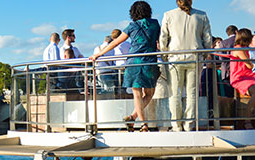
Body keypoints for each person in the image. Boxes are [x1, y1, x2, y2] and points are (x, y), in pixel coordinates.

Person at [91, 1, 161, 132]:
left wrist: (99, 54)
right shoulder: (155, 24)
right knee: (150, 93)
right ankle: (139, 121)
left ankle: (138, 121)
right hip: (150, 62)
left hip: (134, 62)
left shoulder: (132, 26)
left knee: (137, 94)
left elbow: (116, 42)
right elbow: (161, 41)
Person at [159, 0, 213, 131]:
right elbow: (207, 39)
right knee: (192, 93)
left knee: (174, 94)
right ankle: (189, 125)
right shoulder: (202, 15)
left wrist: (164, 54)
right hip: (195, 57)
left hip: (174, 58)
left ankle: (176, 126)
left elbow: (163, 38)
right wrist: (205, 54)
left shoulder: (168, 15)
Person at [225, 29, 255, 129]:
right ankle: (247, 121)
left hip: (248, 76)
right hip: (240, 77)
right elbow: (249, 65)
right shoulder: (239, 49)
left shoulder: (242, 48)